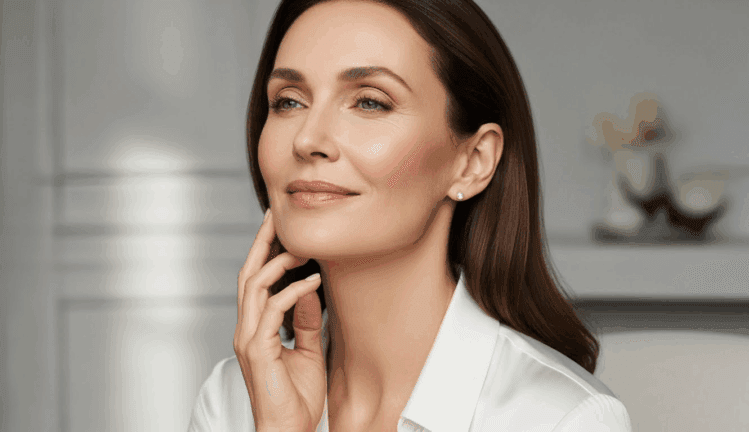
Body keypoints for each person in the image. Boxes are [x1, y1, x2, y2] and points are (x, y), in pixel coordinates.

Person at [188, 0, 633, 431]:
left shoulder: (562, 420)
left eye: (369, 102)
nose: (307, 140)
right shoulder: (232, 399)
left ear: (473, 161)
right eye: (288, 101)